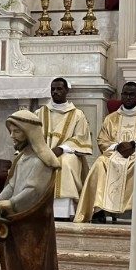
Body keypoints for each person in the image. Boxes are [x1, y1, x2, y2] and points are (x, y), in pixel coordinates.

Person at [74, 82, 136, 226]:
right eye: (125, 94)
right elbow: (102, 139)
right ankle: (98, 209)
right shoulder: (111, 118)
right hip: (114, 153)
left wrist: (134, 145)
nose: (128, 97)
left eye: (131, 94)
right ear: (121, 95)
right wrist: (117, 146)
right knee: (100, 163)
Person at [0, 110, 59, 270]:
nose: (12, 136)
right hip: (16, 221)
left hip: (32, 224)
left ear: (30, 133)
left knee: (31, 266)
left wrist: (10, 203)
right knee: (14, 264)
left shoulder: (42, 160)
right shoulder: (23, 157)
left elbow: (33, 191)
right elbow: (12, 184)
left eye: (17, 131)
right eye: (11, 131)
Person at [34, 77, 91, 220]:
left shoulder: (77, 114)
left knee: (65, 163)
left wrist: (62, 148)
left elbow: (81, 138)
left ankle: (61, 211)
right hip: (43, 151)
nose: (55, 92)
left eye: (59, 89)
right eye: (53, 89)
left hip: (68, 152)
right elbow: (32, 135)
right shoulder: (40, 113)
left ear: (66, 91)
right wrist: (43, 150)